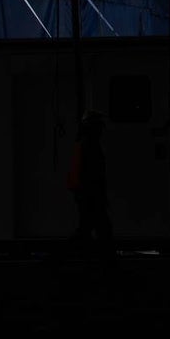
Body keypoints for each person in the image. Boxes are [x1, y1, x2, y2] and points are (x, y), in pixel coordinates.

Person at [67, 109, 113, 258]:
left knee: (88, 228)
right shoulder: (90, 145)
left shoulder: (82, 143)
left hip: (84, 193)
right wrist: (100, 194)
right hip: (90, 194)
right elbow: (94, 173)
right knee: (99, 228)